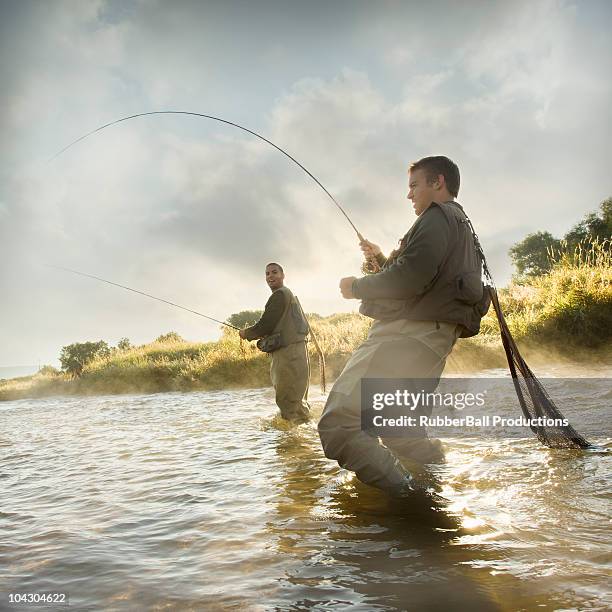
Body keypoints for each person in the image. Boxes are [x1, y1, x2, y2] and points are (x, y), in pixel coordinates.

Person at [317, 156, 489, 496]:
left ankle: (412, 505)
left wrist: (357, 287)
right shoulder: (461, 224)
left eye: (414, 185)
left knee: (339, 425)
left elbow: (410, 278)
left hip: (403, 340)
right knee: (401, 434)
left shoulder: (437, 217)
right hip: (429, 345)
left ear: (438, 182)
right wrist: (380, 261)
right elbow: (425, 275)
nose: (409, 195)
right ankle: (440, 487)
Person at [239, 263, 311, 423]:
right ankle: (304, 441)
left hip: (288, 354)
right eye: (267, 274)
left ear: (283, 275)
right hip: (297, 352)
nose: (270, 276)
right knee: (297, 402)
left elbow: (266, 324)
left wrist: (247, 333)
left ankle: (293, 443)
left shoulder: (279, 295)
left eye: (274, 272)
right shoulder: (288, 294)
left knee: (287, 401)